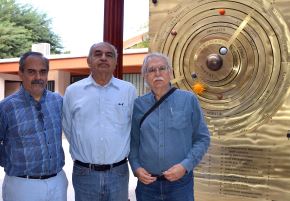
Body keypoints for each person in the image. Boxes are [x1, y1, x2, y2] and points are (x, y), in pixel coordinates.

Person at [129, 52, 210, 201]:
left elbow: (202, 138)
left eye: (162, 68)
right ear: (145, 76)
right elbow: (133, 142)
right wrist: (136, 167)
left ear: (170, 72)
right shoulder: (138, 105)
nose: (157, 73)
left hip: (180, 185)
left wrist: (185, 166)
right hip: (147, 186)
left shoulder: (188, 100)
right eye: (151, 70)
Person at [62, 42, 137, 201]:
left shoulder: (128, 90)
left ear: (116, 62)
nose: (103, 58)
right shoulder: (73, 91)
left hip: (118, 173)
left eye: (109, 55)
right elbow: (68, 128)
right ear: (88, 60)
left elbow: (133, 128)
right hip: (84, 174)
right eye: (98, 54)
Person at [0, 51, 68, 201]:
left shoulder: (58, 101)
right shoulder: (6, 107)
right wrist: (10, 161)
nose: (38, 77)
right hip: (22, 185)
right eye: (31, 72)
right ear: (21, 73)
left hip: (57, 182)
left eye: (42, 72)